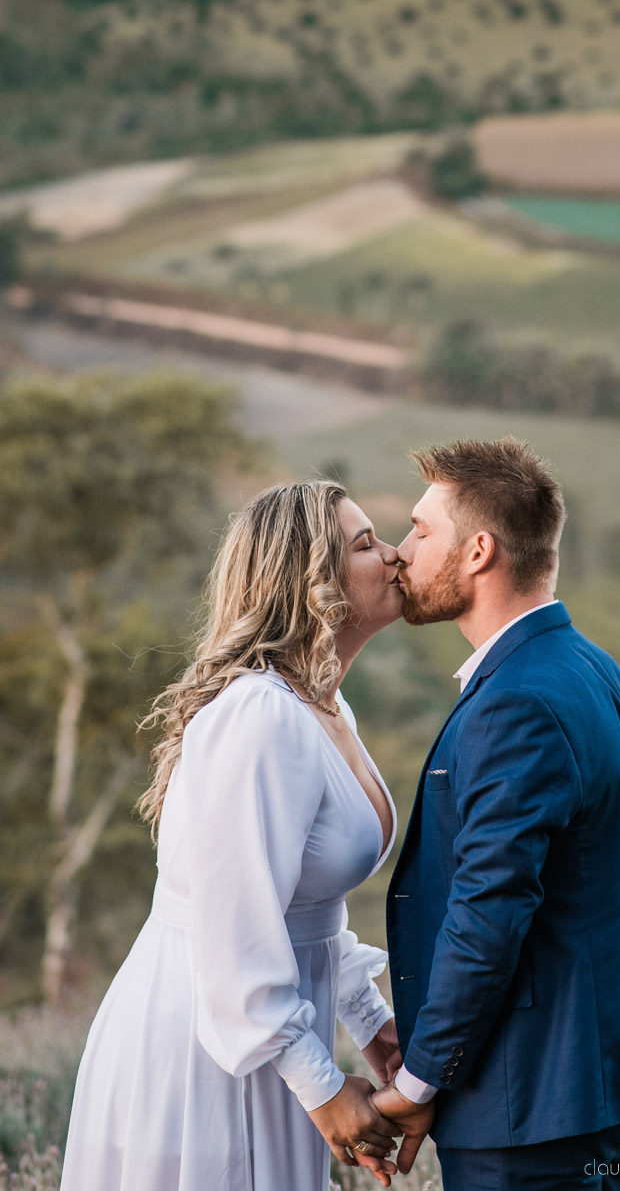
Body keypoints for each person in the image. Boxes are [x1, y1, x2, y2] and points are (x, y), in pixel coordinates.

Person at [60, 480, 407, 1191]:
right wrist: (320, 1085)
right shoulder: (261, 716)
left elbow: (306, 905)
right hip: (207, 1048)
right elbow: (236, 927)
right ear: (312, 583)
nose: (396, 555)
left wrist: (369, 1019)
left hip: (266, 1033)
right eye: (366, 544)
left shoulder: (324, 705)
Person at [372, 437, 620, 1190]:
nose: (400, 552)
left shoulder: (515, 702)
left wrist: (419, 1081)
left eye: (420, 531)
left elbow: (489, 910)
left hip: (532, 1098)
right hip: (594, 1078)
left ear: (478, 551)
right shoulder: (590, 667)